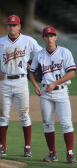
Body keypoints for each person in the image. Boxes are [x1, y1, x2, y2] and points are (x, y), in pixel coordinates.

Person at [0, 15, 42, 157]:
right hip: (5, 81)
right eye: (9, 25)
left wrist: (32, 65)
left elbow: (41, 54)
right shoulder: (0, 42)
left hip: (21, 81)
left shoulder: (28, 40)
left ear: (19, 26)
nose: (12, 27)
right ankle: (2, 147)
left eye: (14, 25)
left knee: (24, 115)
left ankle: (28, 147)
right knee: (3, 115)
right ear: (7, 26)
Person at [29, 26, 76, 163]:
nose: (49, 38)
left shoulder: (64, 52)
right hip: (45, 93)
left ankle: (70, 154)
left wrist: (55, 83)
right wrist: (36, 86)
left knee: (66, 123)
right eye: (46, 36)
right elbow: (31, 72)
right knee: (47, 123)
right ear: (43, 38)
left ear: (56, 37)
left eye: (51, 35)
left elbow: (72, 73)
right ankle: (52, 154)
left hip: (61, 91)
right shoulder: (39, 54)